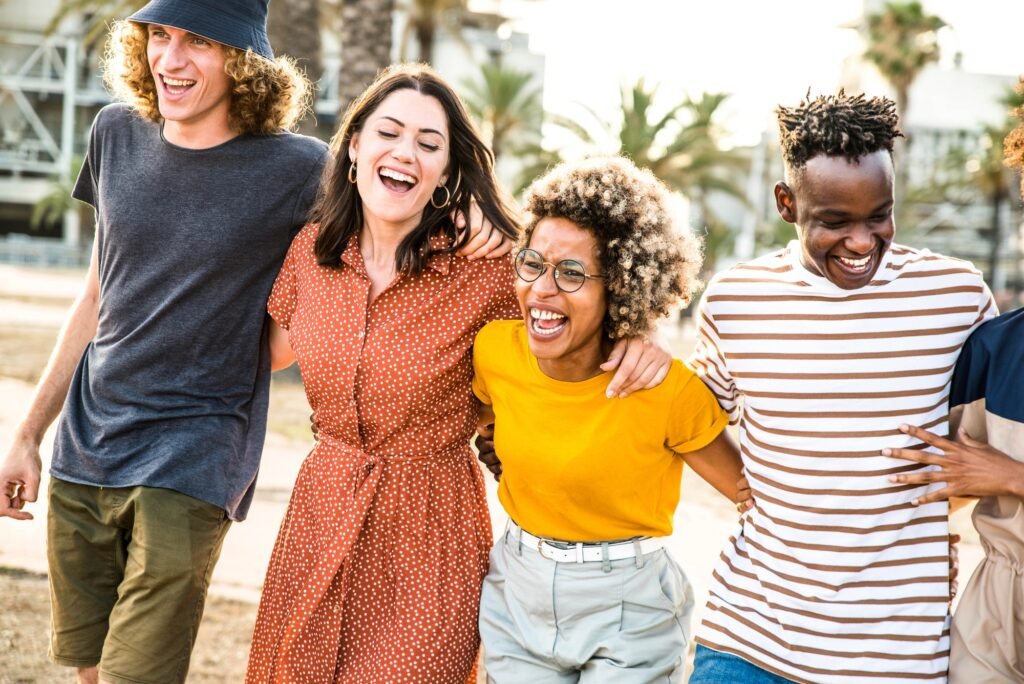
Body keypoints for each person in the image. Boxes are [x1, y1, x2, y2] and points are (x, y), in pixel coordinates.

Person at [0, 2, 507, 681]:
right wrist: (29, 433)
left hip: (197, 457)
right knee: (87, 667)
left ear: (242, 60)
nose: (170, 58)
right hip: (90, 447)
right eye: (159, 35)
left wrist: (472, 210)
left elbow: (389, 196)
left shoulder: (298, 169)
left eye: (198, 42)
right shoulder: (113, 132)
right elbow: (98, 294)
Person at [244, 65, 671, 683]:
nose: (405, 153)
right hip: (321, 512)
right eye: (388, 133)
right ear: (355, 145)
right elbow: (263, 350)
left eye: (428, 143)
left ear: (447, 170)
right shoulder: (312, 256)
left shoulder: (491, 269)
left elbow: (579, 294)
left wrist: (642, 335)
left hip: (430, 533)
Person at [686, 92, 996, 683]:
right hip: (746, 641)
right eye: (834, 222)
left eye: (879, 214)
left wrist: (945, 511)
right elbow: (690, 421)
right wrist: (742, 486)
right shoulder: (736, 300)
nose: (861, 241)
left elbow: (984, 438)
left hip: (895, 657)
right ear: (786, 203)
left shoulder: (957, 297)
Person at [472, 156, 746, 683]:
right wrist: (496, 442)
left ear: (619, 288)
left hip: (630, 607)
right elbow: (489, 414)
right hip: (518, 593)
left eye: (572, 273)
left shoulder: (665, 389)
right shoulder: (494, 352)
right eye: (533, 263)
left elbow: (750, 494)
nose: (543, 290)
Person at [884, 95, 1024, 683]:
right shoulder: (997, 347)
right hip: (996, 607)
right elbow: (936, 471)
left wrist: (1013, 476)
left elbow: (991, 472)